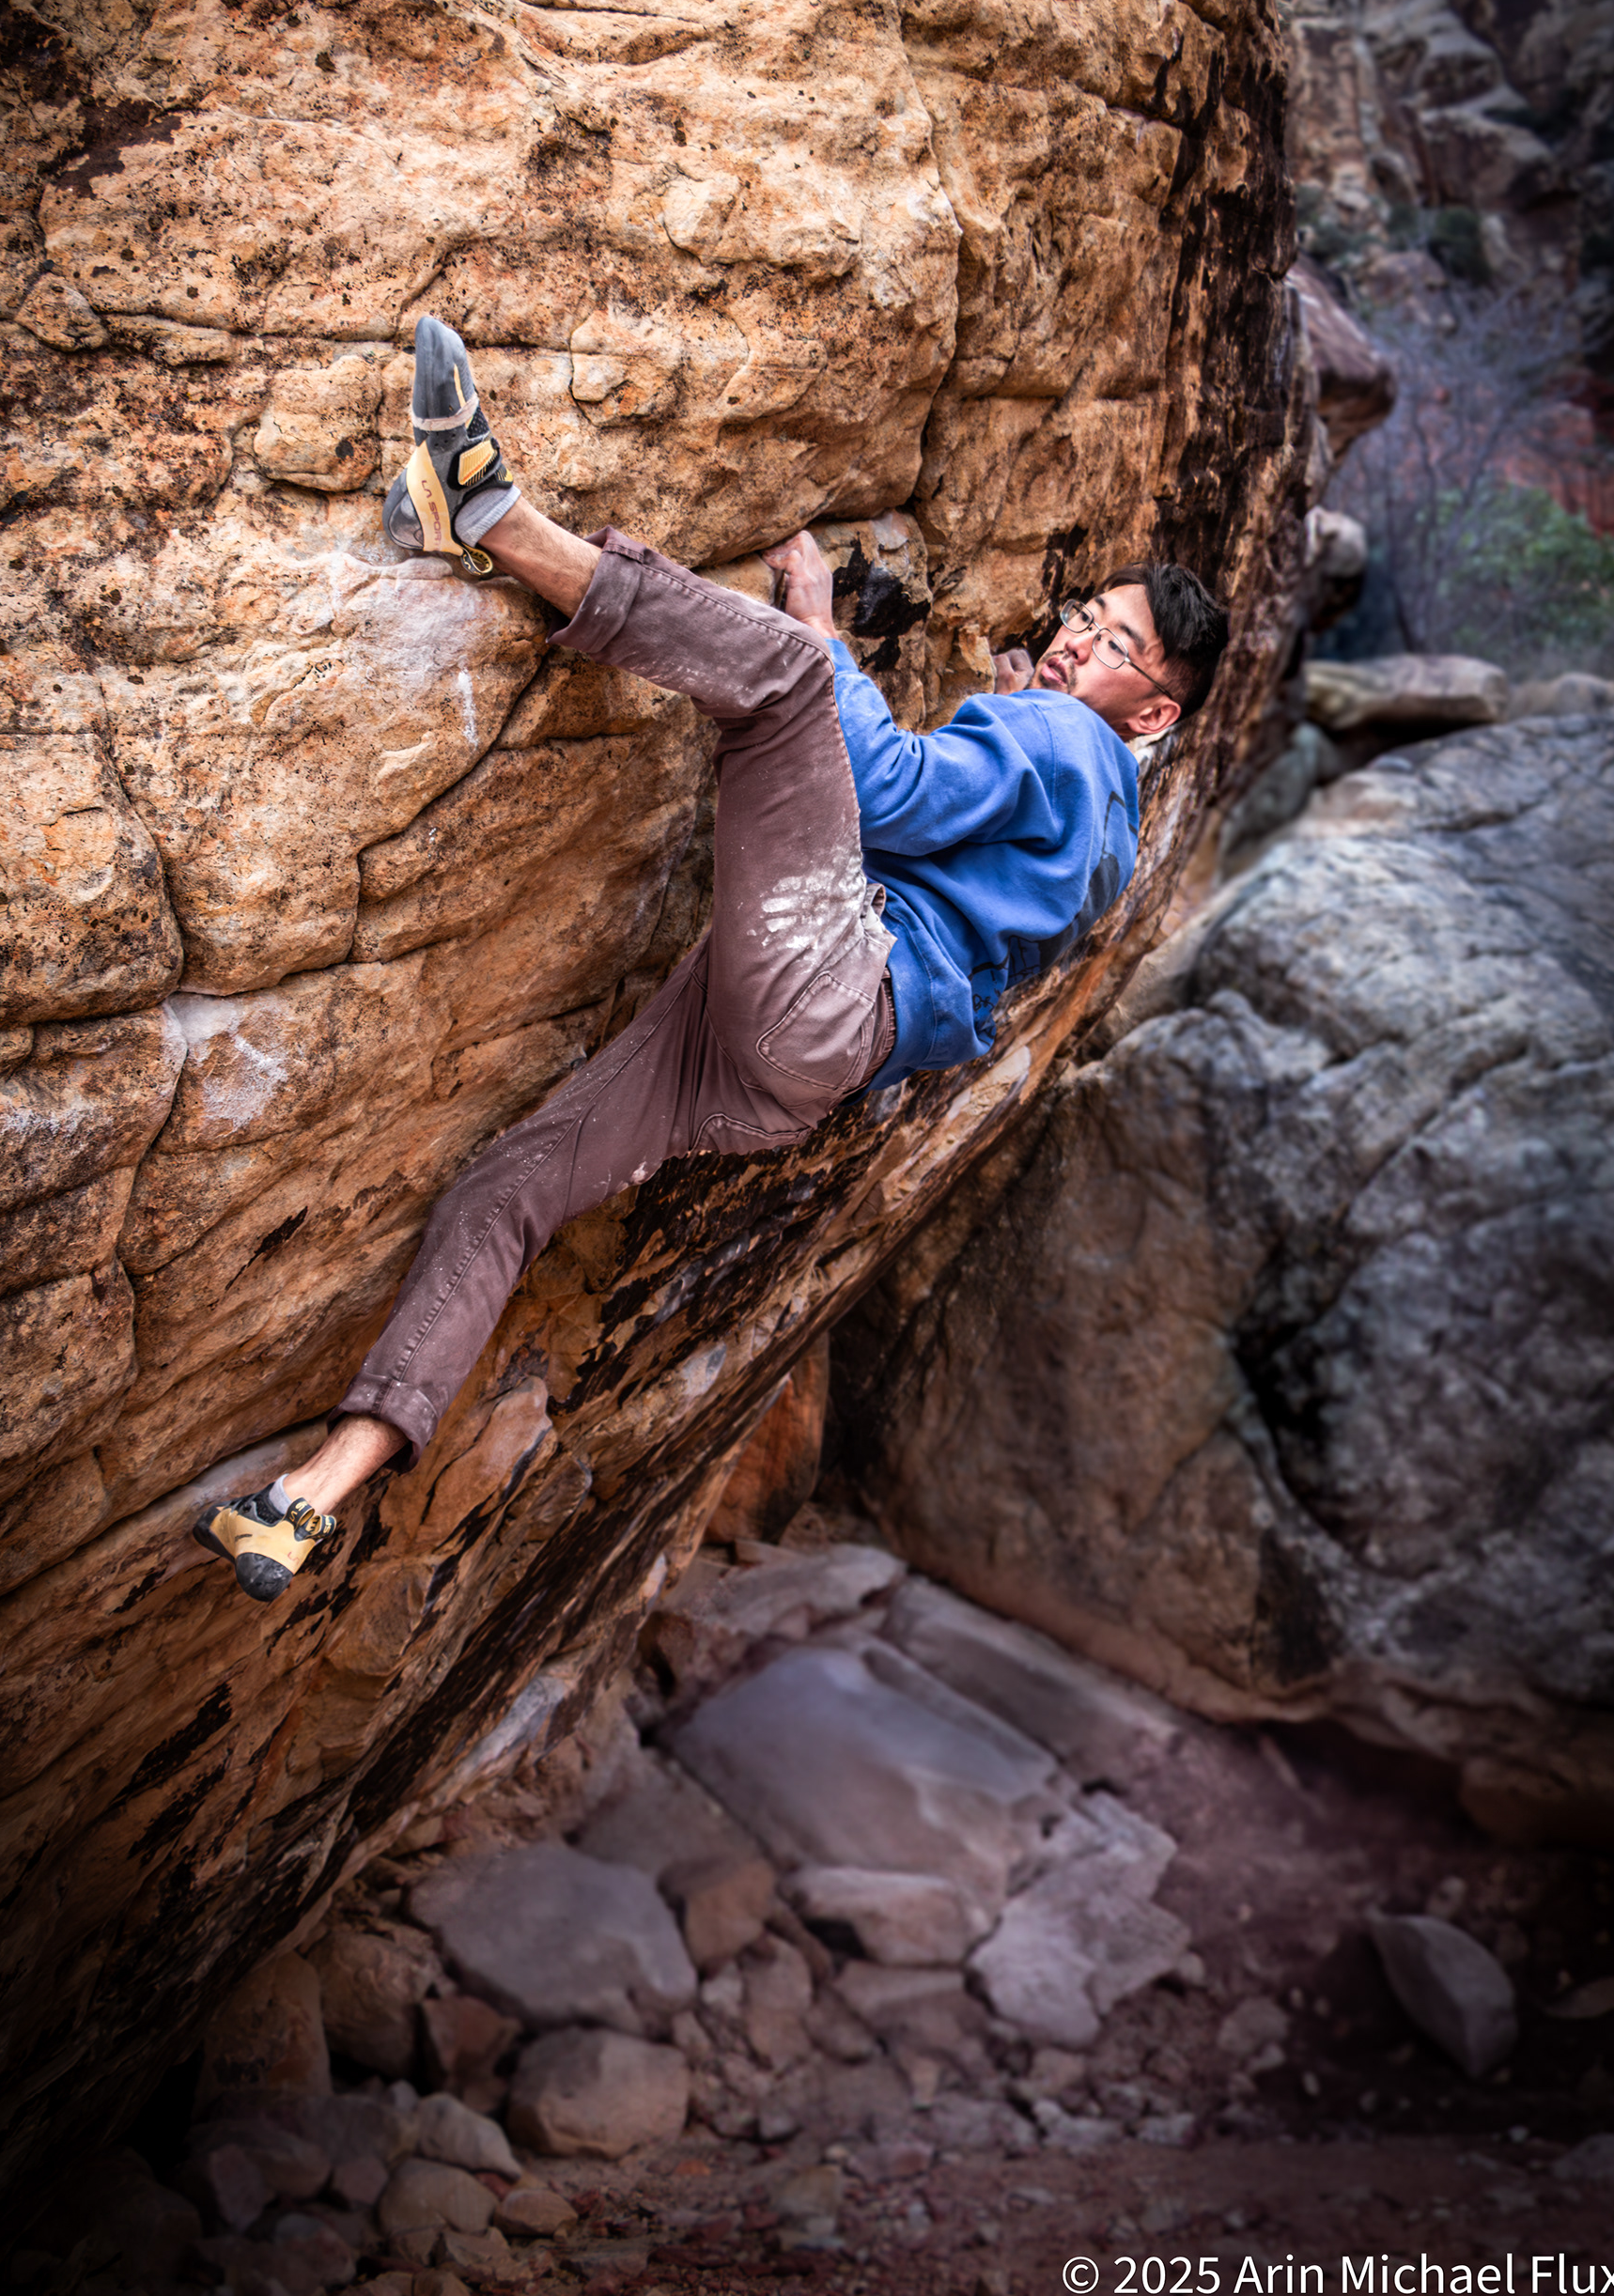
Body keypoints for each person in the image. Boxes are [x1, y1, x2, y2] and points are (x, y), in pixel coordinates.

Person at [194, 321, 1229, 1601]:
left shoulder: (1071, 745)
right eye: (1086, 614)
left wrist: (820, 625)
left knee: (792, 680)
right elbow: (953, 849)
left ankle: (487, 514)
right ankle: (305, 1500)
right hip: (784, 1079)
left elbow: (886, 791)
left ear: (1157, 713)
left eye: (1114, 645)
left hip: (824, 981)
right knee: (507, 1194)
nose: (1080, 643)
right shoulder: (1105, 843)